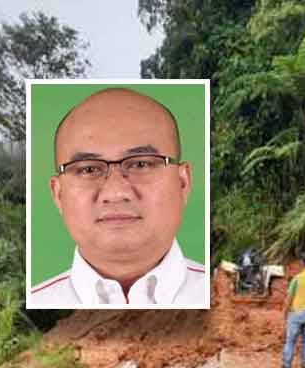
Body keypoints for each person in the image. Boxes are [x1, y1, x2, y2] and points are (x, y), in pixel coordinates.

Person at [29, 87, 205, 306]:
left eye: (141, 164)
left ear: (183, 182)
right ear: (58, 194)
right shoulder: (27, 311)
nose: (115, 193)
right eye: (88, 170)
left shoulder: (227, 298)